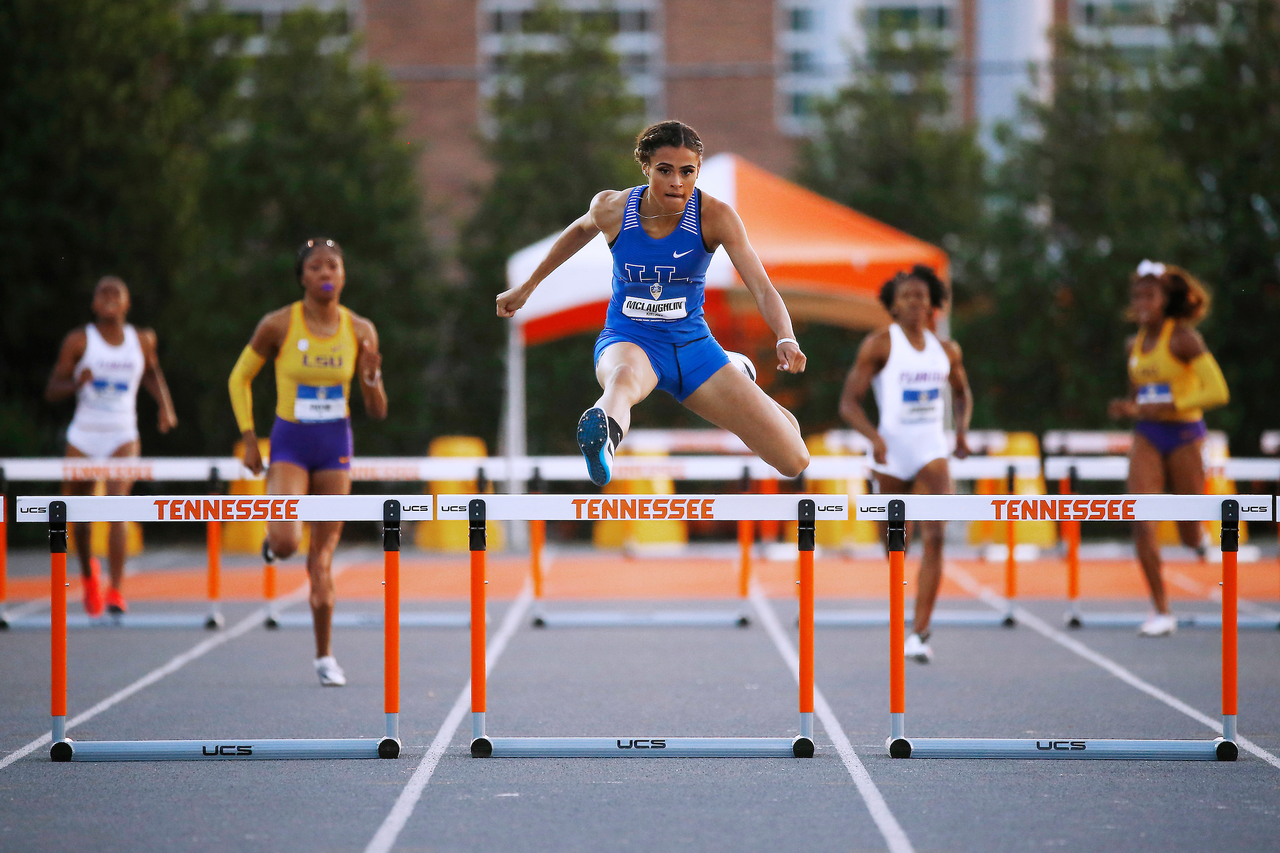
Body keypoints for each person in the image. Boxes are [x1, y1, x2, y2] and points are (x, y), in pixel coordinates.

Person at [496, 120, 809, 485]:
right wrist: (528, 286)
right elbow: (581, 229)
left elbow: (762, 287)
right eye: (665, 171)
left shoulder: (716, 216)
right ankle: (603, 437)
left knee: (793, 458)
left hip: (694, 351)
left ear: (698, 171)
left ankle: (735, 370)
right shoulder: (613, 207)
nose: (676, 182)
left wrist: (786, 336)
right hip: (631, 340)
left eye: (687, 171)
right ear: (646, 167)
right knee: (623, 380)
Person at [228, 238, 387, 685]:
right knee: (284, 543)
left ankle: (324, 658)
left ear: (343, 274)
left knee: (320, 560)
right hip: (290, 444)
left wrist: (372, 377)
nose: (325, 273)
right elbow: (240, 377)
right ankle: (273, 543)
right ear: (302, 276)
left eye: (333, 265)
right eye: (315, 266)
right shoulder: (278, 324)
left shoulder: (360, 330)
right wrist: (248, 438)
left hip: (335, 446)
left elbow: (376, 410)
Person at [837, 266, 972, 663]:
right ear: (893, 305)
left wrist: (961, 432)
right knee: (895, 543)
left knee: (936, 536)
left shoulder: (947, 351)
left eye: (921, 295)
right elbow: (848, 403)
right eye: (906, 296)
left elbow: (963, 394)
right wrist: (875, 439)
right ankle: (902, 614)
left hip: (931, 449)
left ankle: (921, 629)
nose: (914, 302)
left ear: (933, 303)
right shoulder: (880, 344)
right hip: (891, 452)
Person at [44, 276, 178, 617]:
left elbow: (151, 372)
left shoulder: (142, 339)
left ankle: (116, 590)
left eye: (115, 293)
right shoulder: (79, 340)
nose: (108, 297)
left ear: (127, 303)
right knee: (78, 513)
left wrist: (165, 406)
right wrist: (77, 381)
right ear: (94, 304)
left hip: (122, 434)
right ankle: (89, 577)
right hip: (84, 435)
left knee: (118, 506)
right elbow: (52, 389)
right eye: (102, 292)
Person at [1108, 260, 1228, 637]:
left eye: (1149, 295)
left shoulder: (1183, 339)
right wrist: (1125, 408)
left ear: (1165, 298)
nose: (1142, 302)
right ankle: (1161, 610)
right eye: (1137, 296)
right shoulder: (1133, 344)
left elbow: (1217, 391)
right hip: (1147, 434)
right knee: (1142, 520)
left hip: (1185, 435)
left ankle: (1199, 540)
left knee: (1189, 531)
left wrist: (1173, 403)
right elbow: (1137, 397)